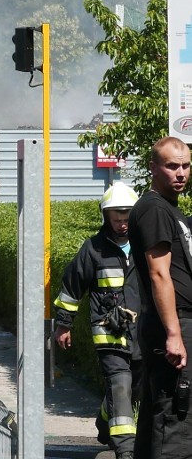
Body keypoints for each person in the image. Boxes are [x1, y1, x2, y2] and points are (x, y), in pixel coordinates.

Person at [52, 182, 141, 459]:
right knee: (120, 384)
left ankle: (105, 418)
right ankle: (126, 450)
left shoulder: (146, 247)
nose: (122, 225)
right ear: (106, 217)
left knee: (135, 388)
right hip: (109, 335)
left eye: (127, 219)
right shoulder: (93, 249)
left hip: (143, 335)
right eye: (117, 220)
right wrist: (64, 325)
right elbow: (71, 288)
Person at [128, 136, 192, 459]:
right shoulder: (154, 209)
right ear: (153, 168)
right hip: (174, 324)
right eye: (171, 166)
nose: (180, 173)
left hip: (174, 324)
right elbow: (159, 274)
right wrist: (174, 334)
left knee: (159, 422)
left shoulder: (171, 211)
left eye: (185, 166)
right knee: (176, 422)